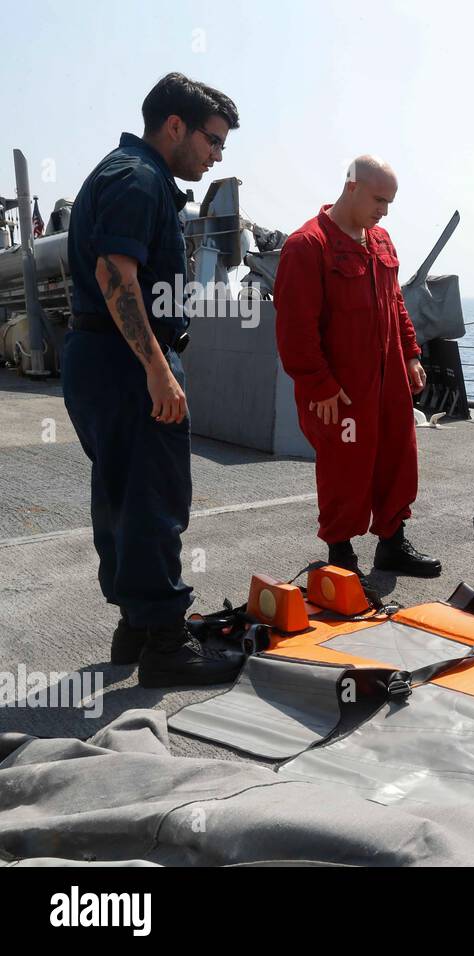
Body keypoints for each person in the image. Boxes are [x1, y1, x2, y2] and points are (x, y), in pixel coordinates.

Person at [63, 73, 243, 687]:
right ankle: (166, 643)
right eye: (213, 141)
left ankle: (136, 631)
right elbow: (117, 274)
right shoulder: (139, 179)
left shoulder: (125, 173)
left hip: (100, 357)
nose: (216, 155)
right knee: (154, 499)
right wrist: (158, 370)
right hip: (125, 363)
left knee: (123, 493)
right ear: (175, 127)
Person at [274, 156, 441, 579]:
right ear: (352, 187)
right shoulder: (307, 246)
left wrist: (410, 354)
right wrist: (320, 386)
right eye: (379, 199)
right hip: (341, 389)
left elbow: (396, 303)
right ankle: (341, 556)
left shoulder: (381, 240)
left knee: (397, 457)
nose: (384, 210)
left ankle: (392, 543)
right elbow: (295, 328)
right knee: (344, 468)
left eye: (390, 202)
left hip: (389, 381)